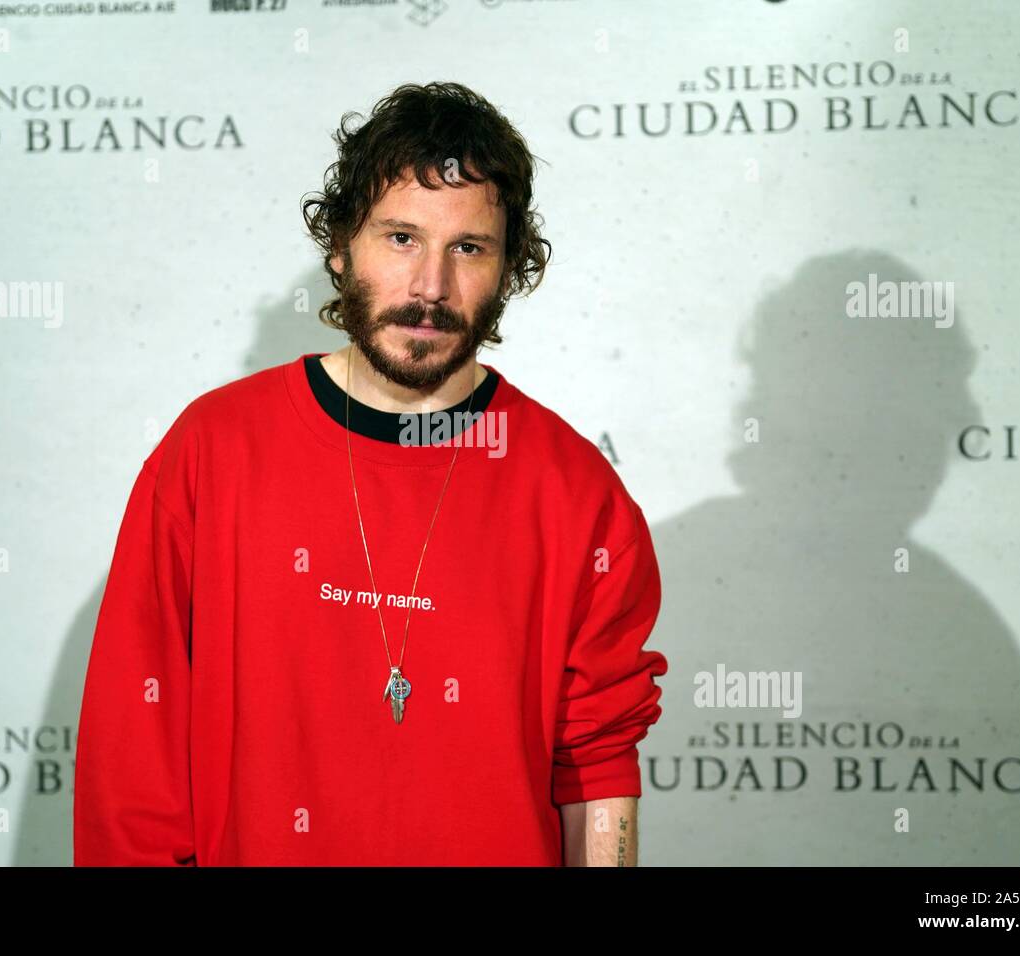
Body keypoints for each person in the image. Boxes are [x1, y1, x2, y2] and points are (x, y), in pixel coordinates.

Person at [73, 81, 668, 867]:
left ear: (510, 267)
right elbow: (132, 759)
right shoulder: (211, 453)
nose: (430, 286)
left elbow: (596, 763)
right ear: (340, 244)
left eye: (469, 248)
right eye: (400, 239)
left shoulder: (576, 493)